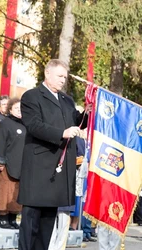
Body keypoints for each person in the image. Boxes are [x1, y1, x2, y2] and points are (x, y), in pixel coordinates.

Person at [18, 59, 88, 250]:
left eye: (65, 77)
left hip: (58, 170)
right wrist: (61, 133)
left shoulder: (67, 100)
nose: (62, 80)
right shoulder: (32, 96)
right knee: (31, 223)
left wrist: (87, 113)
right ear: (47, 74)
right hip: (39, 169)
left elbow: (77, 122)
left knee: (47, 224)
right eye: (59, 76)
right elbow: (34, 125)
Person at [0, 97, 25, 229]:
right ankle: (3, 218)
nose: (19, 111)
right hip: (6, 166)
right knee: (5, 191)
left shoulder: (25, 125)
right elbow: (0, 143)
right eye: (16, 108)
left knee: (15, 193)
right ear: (10, 109)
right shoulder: (4, 124)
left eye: (21, 108)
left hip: (21, 165)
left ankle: (12, 218)